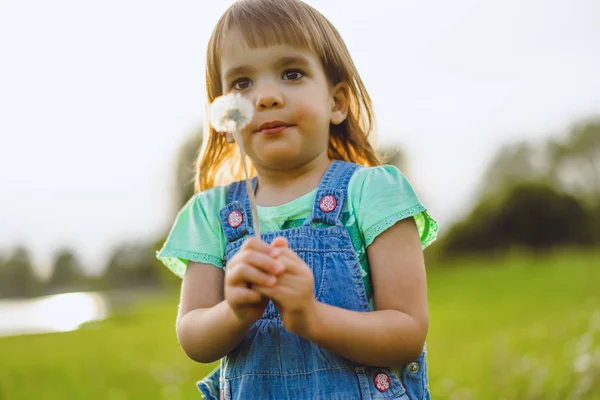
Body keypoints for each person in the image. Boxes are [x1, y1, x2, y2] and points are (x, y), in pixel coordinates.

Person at [157, 0, 438, 398]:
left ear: (336, 102)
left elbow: (407, 332)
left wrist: (312, 317)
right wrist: (233, 312)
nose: (266, 96)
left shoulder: (372, 193)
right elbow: (193, 337)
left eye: (292, 73)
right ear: (222, 114)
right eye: (242, 83)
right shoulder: (210, 213)